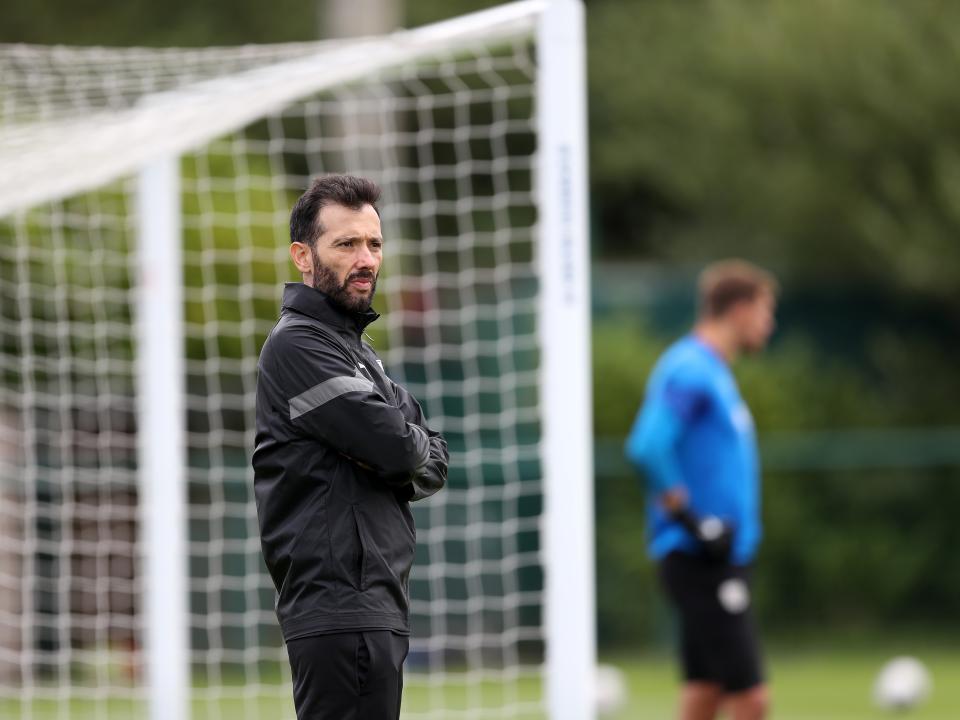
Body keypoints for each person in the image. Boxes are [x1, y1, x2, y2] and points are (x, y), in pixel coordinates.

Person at [253, 174, 447, 720]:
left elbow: (427, 452)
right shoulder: (298, 344)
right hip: (342, 605)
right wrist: (405, 451)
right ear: (302, 255)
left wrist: (405, 450)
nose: (365, 259)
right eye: (346, 244)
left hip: (372, 603)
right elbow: (405, 451)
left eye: (374, 244)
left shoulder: (355, 350)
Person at [625, 260, 777, 720]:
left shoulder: (714, 371)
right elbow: (648, 446)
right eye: (766, 311)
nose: (769, 324)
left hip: (719, 555)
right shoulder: (690, 368)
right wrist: (693, 520)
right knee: (751, 697)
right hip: (703, 558)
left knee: (704, 690)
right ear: (739, 310)